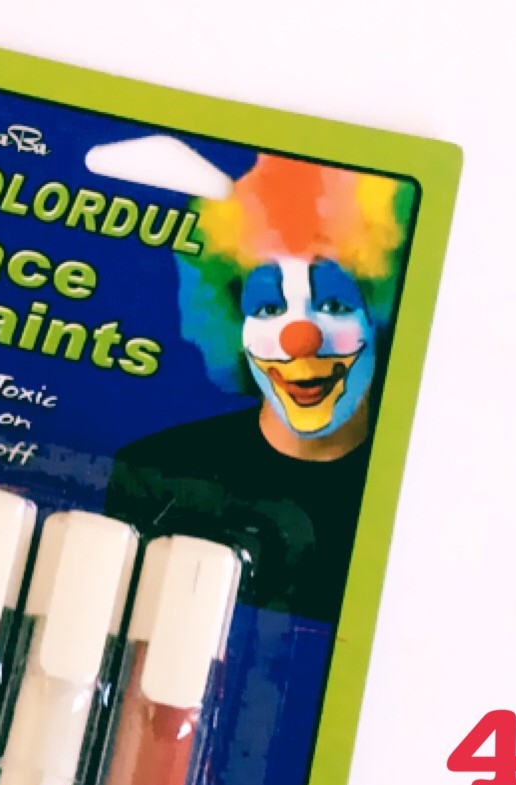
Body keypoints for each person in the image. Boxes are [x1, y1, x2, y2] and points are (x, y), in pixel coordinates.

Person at [105, 154, 417, 624]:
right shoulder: (155, 473)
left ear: (381, 315)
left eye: (334, 304)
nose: (300, 339)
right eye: (269, 308)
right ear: (234, 324)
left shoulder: (412, 499)